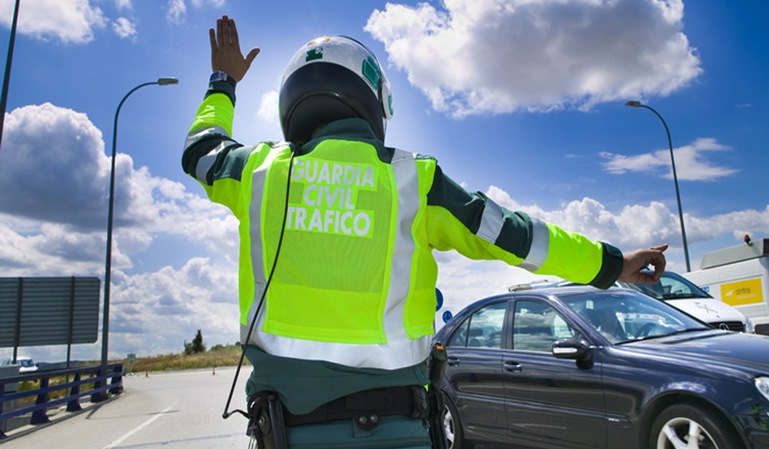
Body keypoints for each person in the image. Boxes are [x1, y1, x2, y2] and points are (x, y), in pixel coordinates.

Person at [182, 15, 667, 449]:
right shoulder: (414, 181)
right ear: (373, 101)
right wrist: (612, 264)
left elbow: (201, 150)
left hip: (287, 428)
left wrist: (223, 82)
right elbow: (517, 236)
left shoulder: (258, 173)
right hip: (398, 425)